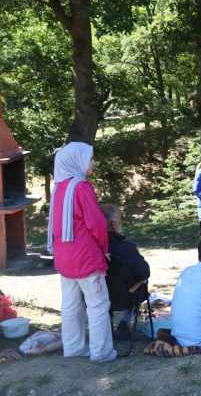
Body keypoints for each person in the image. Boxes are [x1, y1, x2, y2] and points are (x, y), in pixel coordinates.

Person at [47, 142, 116, 363]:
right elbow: (96, 223)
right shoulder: (82, 187)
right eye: (89, 159)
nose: (93, 163)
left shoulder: (59, 187)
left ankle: (74, 348)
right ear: (75, 160)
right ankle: (101, 353)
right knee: (98, 305)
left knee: (70, 305)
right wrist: (104, 248)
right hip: (86, 256)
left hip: (64, 257)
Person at [101, 204, 151, 339]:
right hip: (127, 297)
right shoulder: (125, 246)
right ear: (113, 224)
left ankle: (106, 327)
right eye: (120, 220)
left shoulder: (93, 246)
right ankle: (125, 322)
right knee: (141, 282)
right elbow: (144, 272)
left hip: (99, 296)